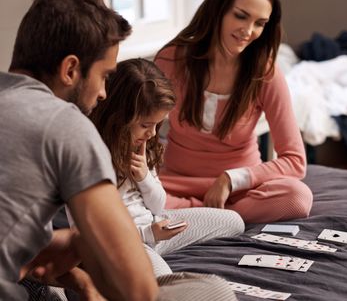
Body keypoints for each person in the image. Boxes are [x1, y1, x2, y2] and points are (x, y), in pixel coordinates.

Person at [0, 0, 237, 301]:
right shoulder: (64, 124)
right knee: (214, 291)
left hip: (26, 272)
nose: (103, 93)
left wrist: (75, 259)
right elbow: (137, 288)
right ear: (70, 69)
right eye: (104, 76)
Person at [154, 0, 313, 223]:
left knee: (297, 197)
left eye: (260, 23)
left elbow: (295, 161)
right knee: (120, 195)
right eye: (241, 16)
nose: (248, 32)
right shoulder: (171, 60)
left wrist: (231, 178)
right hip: (175, 185)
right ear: (219, 9)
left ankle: (201, 217)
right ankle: (212, 216)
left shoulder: (266, 74)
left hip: (239, 191)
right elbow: (139, 133)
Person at [88, 58, 245, 277]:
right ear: (119, 118)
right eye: (145, 125)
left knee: (234, 221)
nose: (152, 134)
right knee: (163, 279)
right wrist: (147, 234)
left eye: (157, 125)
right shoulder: (91, 157)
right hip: (124, 242)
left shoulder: (140, 146)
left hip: (154, 229)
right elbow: (93, 232)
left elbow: (158, 206)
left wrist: (144, 177)